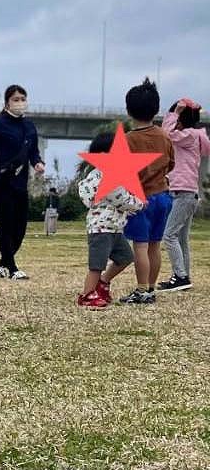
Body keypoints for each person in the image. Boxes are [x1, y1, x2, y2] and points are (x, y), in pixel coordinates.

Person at [108, 78, 174, 304]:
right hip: (163, 197)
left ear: (129, 110)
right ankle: (151, 288)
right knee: (155, 244)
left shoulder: (128, 140)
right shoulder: (165, 136)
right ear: (156, 108)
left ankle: (141, 289)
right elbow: (171, 163)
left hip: (140, 200)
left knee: (141, 246)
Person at [0, 85, 45, 280]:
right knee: (6, 225)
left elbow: (33, 151)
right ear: (7, 102)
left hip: (20, 183)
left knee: (20, 228)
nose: (20, 103)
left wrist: (37, 163)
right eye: (15, 99)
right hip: (1, 181)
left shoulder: (29, 126)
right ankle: (13, 268)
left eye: (23, 99)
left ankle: (2, 264)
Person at [77, 133, 144, 308]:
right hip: (101, 229)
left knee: (125, 257)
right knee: (97, 264)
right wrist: (140, 204)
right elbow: (120, 198)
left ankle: (103, 283)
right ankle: (87, 294)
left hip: (114, 228)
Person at [157, 98, 209, 292]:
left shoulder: (188, 135)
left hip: (183, 194)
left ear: (182, 119)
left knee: (169, 235)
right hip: (188, 194)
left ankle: (180, 276)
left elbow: (165, 134)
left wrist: (175, 112)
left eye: (177, 119)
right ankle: (183, 276)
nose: (174, 122)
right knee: (180, 238)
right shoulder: (192, 136)